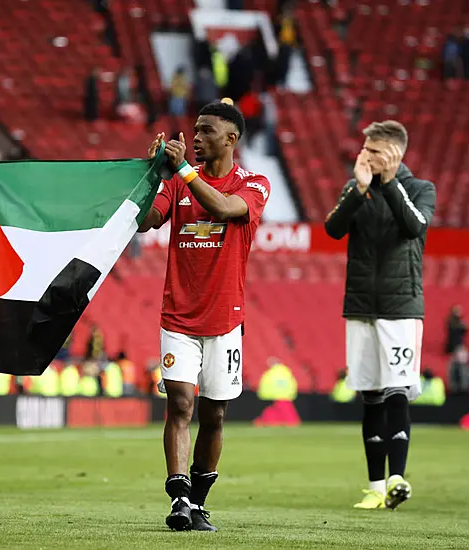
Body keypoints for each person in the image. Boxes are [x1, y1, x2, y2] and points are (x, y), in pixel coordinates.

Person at [138, 98, 271, 531]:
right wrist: (151, 175)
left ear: (231, 138)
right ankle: (178, 498)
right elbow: (146, 221)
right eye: (194, 131)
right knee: (181, 403)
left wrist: (183, 172)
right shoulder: (176, 183)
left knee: (214, 415)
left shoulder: (253, 183)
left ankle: (198, 501)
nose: (195, 138)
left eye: (206, 131)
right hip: (178, 316)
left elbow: (225, 209)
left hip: (226, 322)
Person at [325, 120, 436, 511]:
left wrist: (388, 183)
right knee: (370, 393)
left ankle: (397, 478)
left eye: (372, 150)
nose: (363, 155)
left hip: (400, 307)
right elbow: (333, 228)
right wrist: (358, 190)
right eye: (365, 149)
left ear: (393, 153)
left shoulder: (421, 189)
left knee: (397, 389)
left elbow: (414, 227)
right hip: (360, 306)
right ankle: (375, 487)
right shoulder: (357, 188)